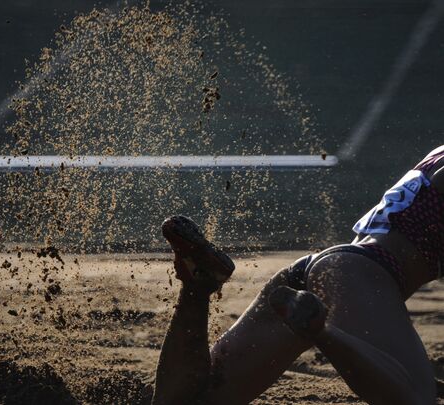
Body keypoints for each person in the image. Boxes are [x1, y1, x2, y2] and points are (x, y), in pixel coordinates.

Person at [151, 145, 444, 405]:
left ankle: (198, 286)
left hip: (321, 272)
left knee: (197, 400)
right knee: (416, 399)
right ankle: (319, 328)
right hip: (359, 277)